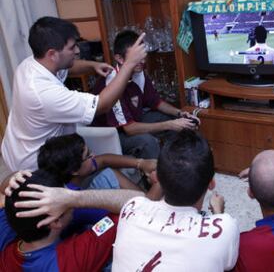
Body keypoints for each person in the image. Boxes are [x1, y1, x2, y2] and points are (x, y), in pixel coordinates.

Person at [1, 16, 147, 172]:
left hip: (19, 148)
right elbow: (103, 104)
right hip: (34, 165)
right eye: (72, 48)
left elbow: (67, 67)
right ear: (52, 54)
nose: (77, 51)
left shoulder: (32, 63)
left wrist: (92, 65)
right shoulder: (42, 93)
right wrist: (129, 63)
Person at [112, 129, 239, 271]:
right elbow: (229, 264)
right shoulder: (225, 227)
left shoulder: (131, 207)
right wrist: (218, 212)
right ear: (212, 183)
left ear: (157, 179)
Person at [0, 169, 146, 271]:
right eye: (64, 194)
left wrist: (15, 178)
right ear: (55, 222)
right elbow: (138, 204)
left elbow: (3, 188)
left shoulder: (10, 221)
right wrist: (75, 198)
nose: (71, 191)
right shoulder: (69, 260)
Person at [92, 30, 199, 159]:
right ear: (119, 58)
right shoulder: (112, 83)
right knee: (148, 142)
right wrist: (170, 125)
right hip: (112, 134)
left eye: (142, 54)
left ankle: (179, 163)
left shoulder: (138, 72)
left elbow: (156, 102)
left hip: (133, 120)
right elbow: (129, 129)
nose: (142, 60)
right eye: (136, 57)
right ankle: (159, 176)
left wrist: (179, 113)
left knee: (168, 119)